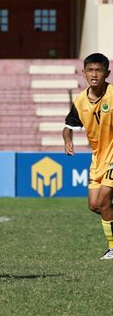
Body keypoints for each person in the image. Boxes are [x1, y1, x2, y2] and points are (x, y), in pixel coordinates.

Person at [63, 52, 113, 259]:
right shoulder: (80, 101)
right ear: (83, 73)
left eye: (99, 70)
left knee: (103, 201)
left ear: (107, 73)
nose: (94, 74)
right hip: (98, 159)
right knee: (95, 205)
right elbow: (67, 127)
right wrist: (68, 140)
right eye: (90, 70)